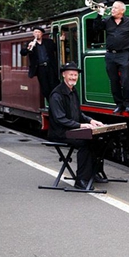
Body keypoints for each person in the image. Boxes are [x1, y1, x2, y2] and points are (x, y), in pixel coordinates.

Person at [47, 62, 105, 190]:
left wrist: (91, 121)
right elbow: (60, 119)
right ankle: (81, 180)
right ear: (64, 75)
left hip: (72, 130)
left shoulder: (73, 91)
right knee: (85, 142)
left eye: (75, 75)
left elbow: (78, 113)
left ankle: (93, 173)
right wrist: (80, 125)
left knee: (99, 140)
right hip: (60, 132)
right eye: (71, 75)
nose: (74, 77)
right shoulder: (56, 95)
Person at [93, 1, 129, 114]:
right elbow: (96, 27)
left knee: (126, 80)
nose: (112, 10)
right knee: (114, 80)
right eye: (113, 8)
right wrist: (99, 14)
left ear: (122, 10)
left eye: (115, 8)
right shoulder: (107, 21)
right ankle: (119, 104)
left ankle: (128, 104)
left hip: (123, 54)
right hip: (110, 54)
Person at [20, 26, 60, 101]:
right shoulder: (30, 43)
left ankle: (56, 102)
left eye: (38, 32)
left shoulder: (48, 42)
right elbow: (23, 53)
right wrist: (28, 48)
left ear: (42, 34)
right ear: (33, 34)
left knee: (54, 85)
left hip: (50, 66)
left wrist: (61, 40)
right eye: (35, 32)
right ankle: (50, 102)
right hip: (40, 68)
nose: (37, 34)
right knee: (45, 88)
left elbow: (57, 47)